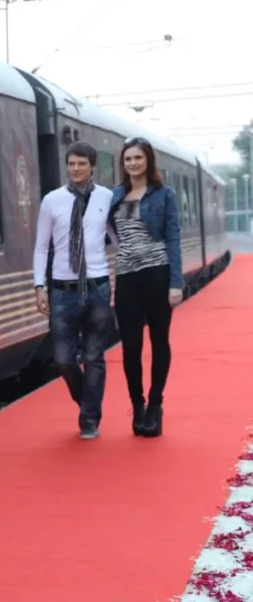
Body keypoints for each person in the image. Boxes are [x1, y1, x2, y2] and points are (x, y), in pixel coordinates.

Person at [33, 141, 115, 439]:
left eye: (81, 163)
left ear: (92, 166)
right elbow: (42, 247)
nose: (76, 169)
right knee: (64, 360)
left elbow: (119, 240)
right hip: (62, 290)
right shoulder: (52, 201)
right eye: (71, 164)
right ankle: (88, 402)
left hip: (97, 287)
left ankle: (89, 419)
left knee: (94, 356)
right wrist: (39, 285)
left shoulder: (108, 197)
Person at [108, 137, 183, 437]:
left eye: (138, 158)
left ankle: (155, 405)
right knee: (131, 347)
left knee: (159, 341)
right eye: (128, 159)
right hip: (126, 277)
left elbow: (173, 238)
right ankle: (137, 406)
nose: (133, 163)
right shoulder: (115, 195)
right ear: (123, 163)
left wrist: (175, 283)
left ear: (148, 161)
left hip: (157, 273)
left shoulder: (164, 195)